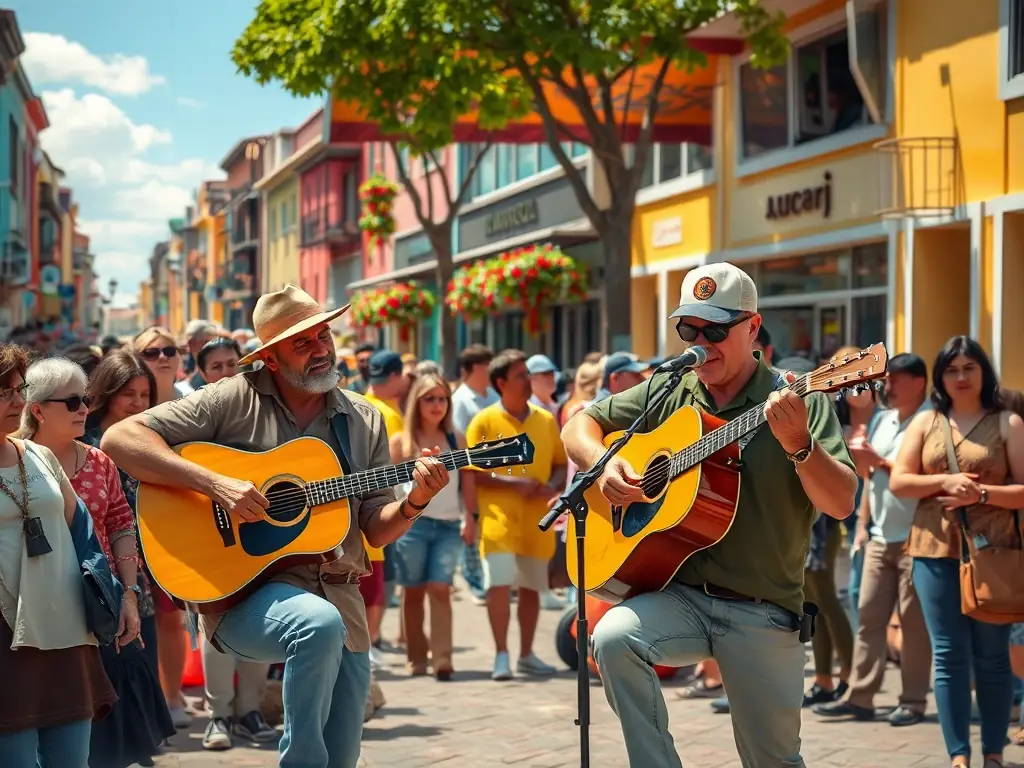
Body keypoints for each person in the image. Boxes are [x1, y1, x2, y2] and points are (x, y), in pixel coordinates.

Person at [101, 284, 452, 768]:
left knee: (343, 752)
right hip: (242, 593)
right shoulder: (231, 399)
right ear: (269, 358)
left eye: (323, 336)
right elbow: (121, 437)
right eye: (302, 343)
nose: (321, 349)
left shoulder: (363, 418)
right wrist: (215, 484)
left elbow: (374, 529)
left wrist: (416, 501)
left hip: (340, 591)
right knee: (316, 625)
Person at [560, 263, 857, 768]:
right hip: (679, 596)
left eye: (716, 330)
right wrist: (602, 463)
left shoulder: (795, 396)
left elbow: (842, 502)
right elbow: (579, 424)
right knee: (611, 637)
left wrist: (799, 445)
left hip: (763, 606)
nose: (701, 342)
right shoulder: (672, 388)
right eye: (688, 329)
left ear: (753, 328)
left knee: (774, 761)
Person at [19, 356, 175, 767]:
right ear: (37, 410)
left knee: (110, 729)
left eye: (85, 399)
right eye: (71, 402)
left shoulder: (98, 460)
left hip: (101, 608)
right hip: (38, 613)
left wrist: (128, 591)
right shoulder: (14, 461)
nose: (85, 410)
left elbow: (122, 524)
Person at [890, 336, 1023, 768]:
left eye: (969, 367)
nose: (961, 377)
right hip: (933, 551)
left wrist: (980, 492)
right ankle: (959, 756)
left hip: (994, 554)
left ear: (984, 371)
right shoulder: (927, 423)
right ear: (940, 376)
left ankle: (994, 754)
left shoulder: (1008, 422)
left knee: (992, 657)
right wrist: (945, 483)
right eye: (951, 369)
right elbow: (900, 481)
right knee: (948, 656)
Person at [0, 344, 117, 766]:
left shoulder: (40, 456)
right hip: (6, 639)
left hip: (66, 630)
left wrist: (110, 599)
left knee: (71, 760)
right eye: (5, 393)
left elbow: (83, 535)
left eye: (19, 389)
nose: (19, 401)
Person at [814, 352, 932, 727]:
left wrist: (878, 461)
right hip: (880, 535)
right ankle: (860, 697)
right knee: (867, 615)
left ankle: (913, 702)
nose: (888, 386)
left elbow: (921, 476)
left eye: (896, 379)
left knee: (913, 626)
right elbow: (869, 481)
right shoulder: (882, 419)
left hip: (918, 536)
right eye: (887, 379)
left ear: (919, 381)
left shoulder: (931, 421)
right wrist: (862, 527)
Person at [467, 350, 567, 681]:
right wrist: (514, 484)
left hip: (537, 519)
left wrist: (552, 486)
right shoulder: (483, 421)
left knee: (530, 587)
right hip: (497, 520)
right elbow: (471, 472)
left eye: (528, 374)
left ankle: (526, 654)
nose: (529, 381)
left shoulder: (545, 419)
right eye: (521, 375)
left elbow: (559, 464)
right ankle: (501, 654)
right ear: (501, 383)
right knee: (498, 583)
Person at [390, 373, 478, 679]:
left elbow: (468, 481)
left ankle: (442, 658)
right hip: (411, 526)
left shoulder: (457, 438)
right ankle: (416, 656)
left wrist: (471, 517)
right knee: (412, 592)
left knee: (441, 588)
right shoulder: (401, 442)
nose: (437, 405)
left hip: (448, 525)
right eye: (430, 398)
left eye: (442, 398)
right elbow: (386, 488)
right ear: (417, 402)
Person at [131, 326, 190, 728]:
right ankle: (151, 700)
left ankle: (173, 696)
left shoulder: (193, 403)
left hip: (184, 520)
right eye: (152, 352)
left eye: (170, 349)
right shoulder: (128, 403)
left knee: (174, 616)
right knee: (144, 619)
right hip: (134, 521)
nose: (163, 357)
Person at [450, 344, 498, 604]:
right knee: (469, 525)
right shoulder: (459, 401)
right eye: (485, 366)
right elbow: (458, 446)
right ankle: (474, 581)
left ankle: (483, 578)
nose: (489, 371)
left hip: (493, 474)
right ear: (471, 369)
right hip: (468, 474)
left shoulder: (492, 397)